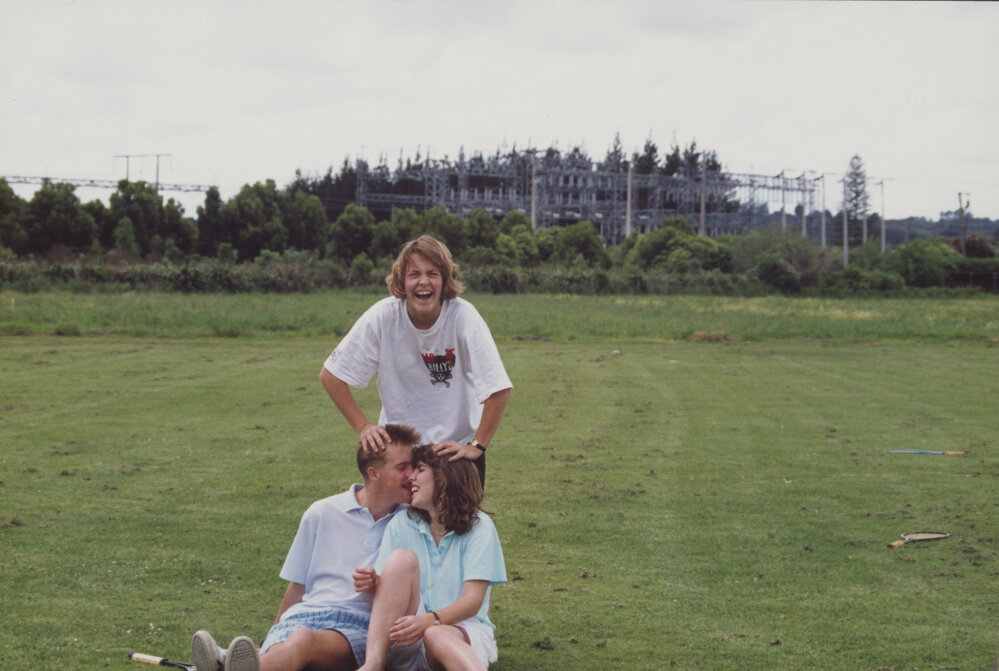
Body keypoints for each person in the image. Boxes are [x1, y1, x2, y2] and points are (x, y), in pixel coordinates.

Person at [190, 424, 424, 671]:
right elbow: (298, 586)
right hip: (302, 617)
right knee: (290, 642)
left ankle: (225, 662)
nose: (412, 475)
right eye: (402, 467)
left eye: (413, 466)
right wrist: (271, 637)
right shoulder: (322, 512)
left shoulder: (412, 521)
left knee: (302, 641)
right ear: (374, 473)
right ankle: (237, 661)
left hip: (357, 625)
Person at [320, 235, 512, 484]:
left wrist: (476, 446)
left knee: (456, 513)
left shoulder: (463, 316)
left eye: (433, 273)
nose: (423, 282)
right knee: (394, 512)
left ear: (445, 279)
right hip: (400, 453)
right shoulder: (382, 317)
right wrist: (364, 427)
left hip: (454, 455)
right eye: (414, 274)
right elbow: (331, 375)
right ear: (402, 280)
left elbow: (498, 387)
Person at [352, 444, 506, 671]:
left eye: (420, 469)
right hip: (408, 633)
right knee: (401, 559)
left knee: (436, 634)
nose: (411, 477)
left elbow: (473, 601)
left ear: (445, 477)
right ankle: (373, 665)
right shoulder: (402, 523)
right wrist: (372, 585)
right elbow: (383, 603)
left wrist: (430, 621)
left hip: (461, 630)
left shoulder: (480, 527)